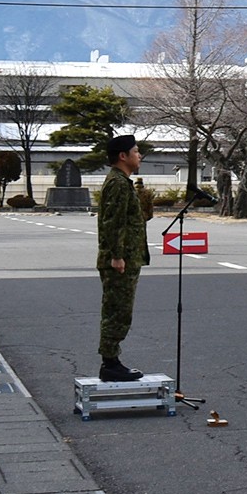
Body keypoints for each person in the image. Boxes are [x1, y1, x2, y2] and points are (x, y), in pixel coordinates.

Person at [94, 133, 151, 382]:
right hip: (120, 260)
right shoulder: (117, 183)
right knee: (117, 310)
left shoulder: (122, 182)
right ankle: (110, 363)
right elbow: (112, 222)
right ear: (123, 156)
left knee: (120, 310)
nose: (139, 155)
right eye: (136, 151)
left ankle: (112, 360)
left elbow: (128, 219)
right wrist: (117, 256)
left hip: (128, 257)